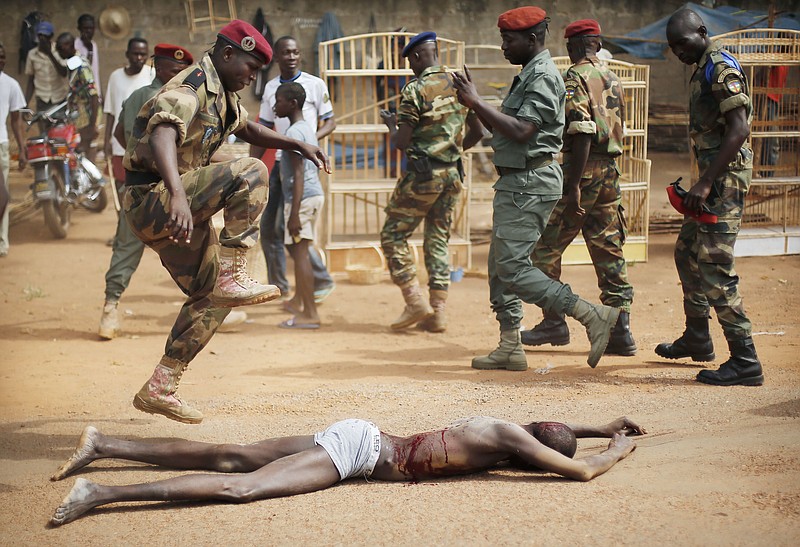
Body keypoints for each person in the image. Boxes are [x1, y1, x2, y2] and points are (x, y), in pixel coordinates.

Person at [122, 20, 330, 424]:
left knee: (215, 296)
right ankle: (235, 270)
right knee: (250, 170)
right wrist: (179, 196)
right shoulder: (193, 85)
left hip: (167, 204)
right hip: (152, 198)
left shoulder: (224, 96)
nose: (253, 76)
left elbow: (247, 126)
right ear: (228, 53)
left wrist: (295, 142)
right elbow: (164, 131)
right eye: (250, 67)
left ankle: (161, 385)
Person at [49, 415, 644, 526]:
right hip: (357, 454)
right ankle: (99, 490)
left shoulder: (512, 432)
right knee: (242, 487)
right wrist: (613, 451)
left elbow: (561, 431)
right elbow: (582, 472)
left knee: (228, 453)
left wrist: (606, 424)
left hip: (358, 435)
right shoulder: (509, 438)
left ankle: (104, 444)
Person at [451, 6, 620, 371]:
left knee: (512, 268)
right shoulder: (528, 73)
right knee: (500, 266)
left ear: (531, 39)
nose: (502, 46)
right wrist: (474, 102)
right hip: (517, 181)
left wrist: (477, 101)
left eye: (508, 40)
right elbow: (506, 126)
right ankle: (510, 345)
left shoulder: (542, 75)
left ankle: (590, 314)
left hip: (529, 182)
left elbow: (524, 131)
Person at [657, 9, 764, 387]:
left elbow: (740, 130)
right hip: (713, 178)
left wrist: (705, 183)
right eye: (672, 48)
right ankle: (698, 337)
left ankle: (745, 360)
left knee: (715, 268)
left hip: (725, 180)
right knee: (687, 252)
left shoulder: (719, 68)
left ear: (702, 32)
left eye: (681, 44)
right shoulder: (702, 64)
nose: (677, 53)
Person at [522, 19, 636, 356]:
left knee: (544, 248)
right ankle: (621, 331)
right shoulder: (614, 78)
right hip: (611, 173)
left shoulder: (573, 78)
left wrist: (572, 186)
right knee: (608, 248)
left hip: (582, 173)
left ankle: (554, 321)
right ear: (597, 45)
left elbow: (583, 130)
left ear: (572, 46)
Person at [379, 31, 483, 332]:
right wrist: (449, 151)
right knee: (438, 239)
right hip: (452, 174)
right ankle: (438, 312)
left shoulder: (415, 89)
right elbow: (478, 133)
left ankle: (414, 301)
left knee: (393, 236)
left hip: (423, 175)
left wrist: (390, 126)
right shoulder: (459, 84)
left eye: (410, 61)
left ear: (415, 57)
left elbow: (402, 141)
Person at [98, 43, 194, 340]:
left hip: (136, 185)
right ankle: (209, 306)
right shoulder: (178, 98)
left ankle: (109, 311)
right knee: (192, 244)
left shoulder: (134, 97)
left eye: (181, 71)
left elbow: (117, 134)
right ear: (159, 67)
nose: (178, 74)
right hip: (171, 186)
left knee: (126, 247)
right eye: (175, 70)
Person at [250, 36, 336, 305]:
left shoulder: (314, 84)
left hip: (304, 163)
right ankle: (280, 286)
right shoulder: (271, 88)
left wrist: (308, 143)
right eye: (286, 52)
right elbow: (261, 128)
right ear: (276, 56)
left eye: (296, 52)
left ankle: (318, 280)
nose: (292, 56)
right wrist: (251, 167)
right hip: (279, 163)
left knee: (295, 226)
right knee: (270, 227)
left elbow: (330, 122)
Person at [274, 82, 325, 328]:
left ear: (292, 104)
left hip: (301, 199)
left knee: (301, 254)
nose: (275, 106)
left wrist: (294, 213)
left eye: (279, 101)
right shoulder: (306, 127)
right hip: (311, 195)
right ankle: (299, 301)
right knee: (298, 250)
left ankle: (310, 314)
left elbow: (298, 174)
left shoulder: (294, 134)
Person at [103, 38, 154, 191]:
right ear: (127, 54)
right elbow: (110, 112)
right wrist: (107, 141)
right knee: (121, 183)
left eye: (143, 54)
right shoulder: (115, 77)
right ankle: (121, 215)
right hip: (120, 141)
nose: (139, 58)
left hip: (144, 142)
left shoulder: (152, 75)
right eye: (135, 54)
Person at [0, 42, 28, 257]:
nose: (1, 60)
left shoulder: (10, 85)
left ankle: (2, 242)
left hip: (1, 146)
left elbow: (16, 122)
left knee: (2, 195)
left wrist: (22, 149)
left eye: (2, 56)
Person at [54, 33, 99, 158]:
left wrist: (92, 125)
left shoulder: (82, 67)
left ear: (69, 45)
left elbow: (94, 95)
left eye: (60, 49)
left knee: (87, 151)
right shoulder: (73, 62)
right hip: (79, 116)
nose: (58, 52)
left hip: (87, 116)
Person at [24, 21, 68, 128]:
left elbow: (64, 72)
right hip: (42, 100)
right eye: (40, 36)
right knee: (44, 133)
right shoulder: (32, 54)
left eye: (45, 36)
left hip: (59, 99)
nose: (43, 39)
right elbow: (31, 81)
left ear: (51, 36)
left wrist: (50, 54)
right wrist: (25, 104)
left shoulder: (59, 52)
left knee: (59, 132)